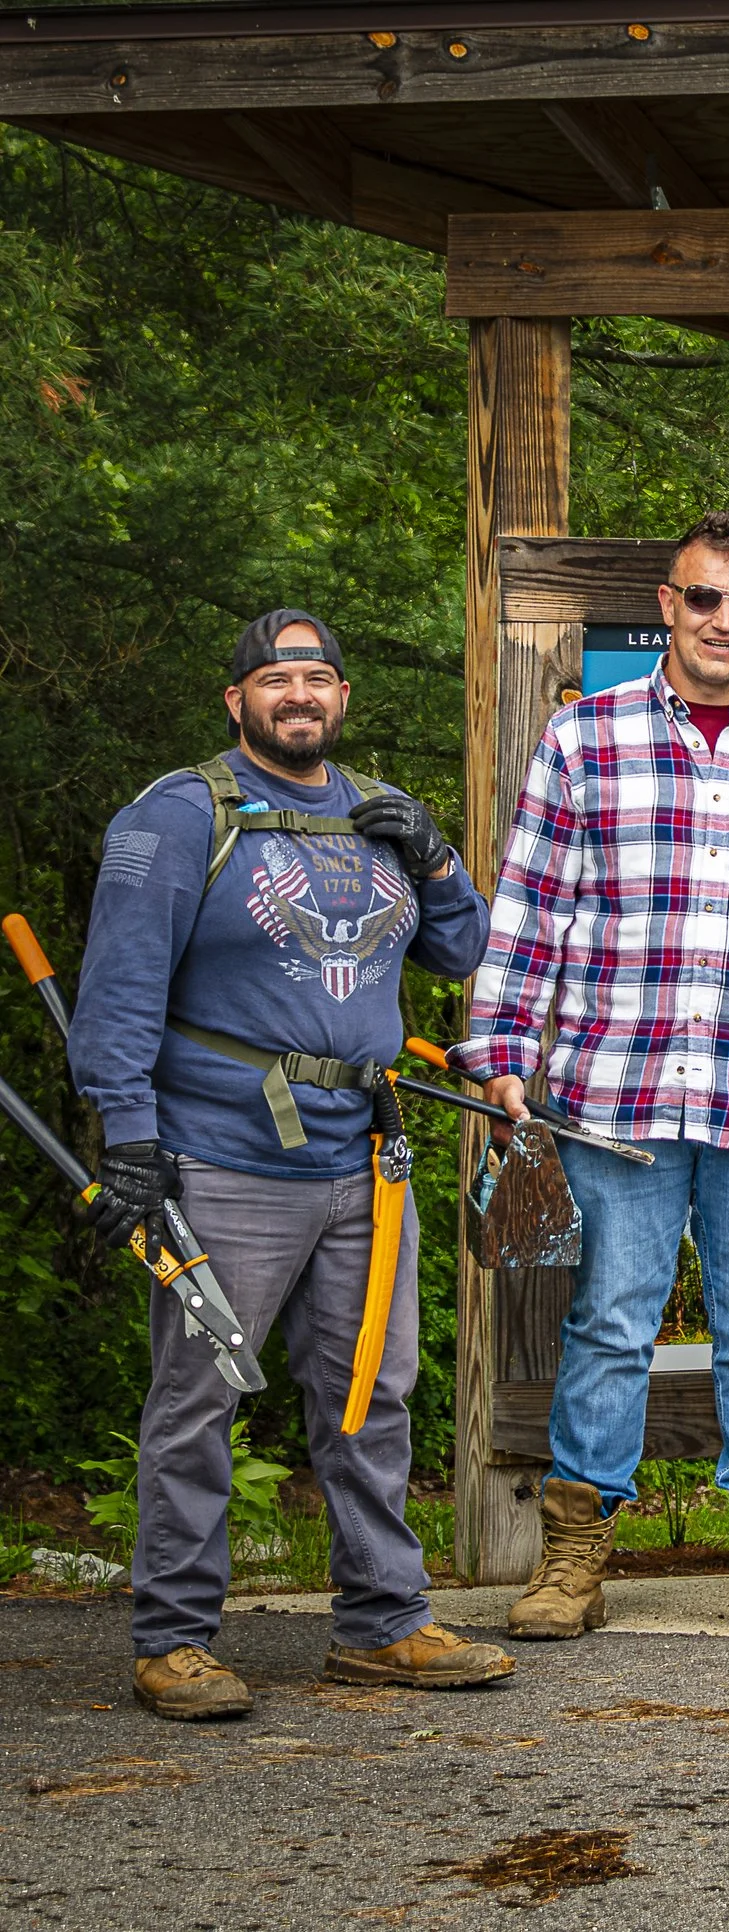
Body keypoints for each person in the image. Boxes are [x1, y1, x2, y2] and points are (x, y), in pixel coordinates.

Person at [454, 511, 729, 1645]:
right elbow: (528, 912)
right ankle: (574, 1559)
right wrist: (502, 1052)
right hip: (616, 1098)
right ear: (665, 605)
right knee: (609, 1324)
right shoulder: (585, 739)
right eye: (702, 599)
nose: (722, 621)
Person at [71, 609, 512, 1718]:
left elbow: (468, 955)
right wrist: (128, 1135)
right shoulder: (180, 816)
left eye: (317, 677)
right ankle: (172, 1638)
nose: (299, 695)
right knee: (197, 1398)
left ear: (343, 697)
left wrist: (435, 856)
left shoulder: (377, 818)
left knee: (373, 1396)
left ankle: (382, 1623)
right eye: (276, 678)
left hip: (363, 1161)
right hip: (221, 1156)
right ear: (238, 702)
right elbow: (118, 990)